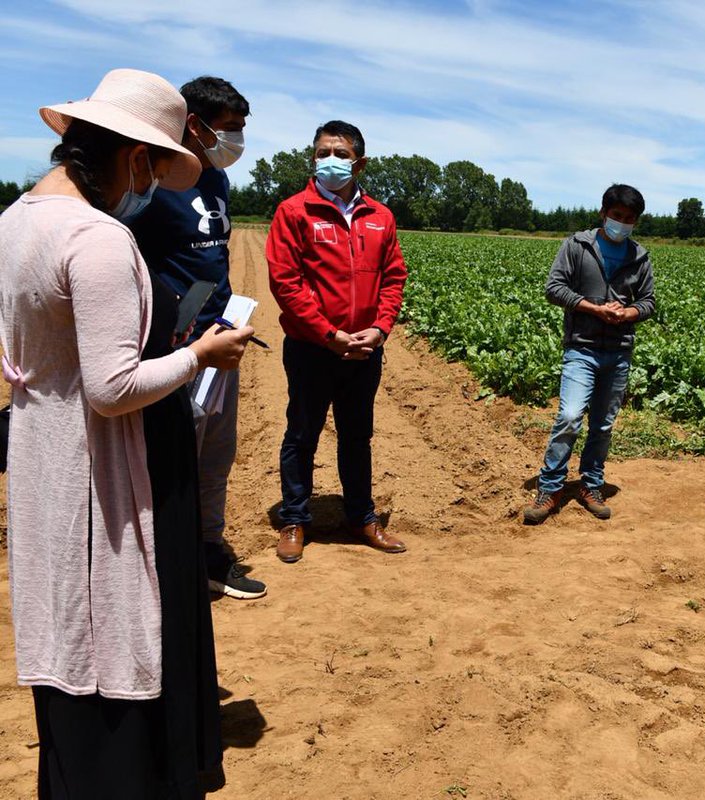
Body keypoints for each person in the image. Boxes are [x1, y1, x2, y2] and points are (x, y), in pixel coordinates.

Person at [0, 68, 252, 798]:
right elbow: (113, 390)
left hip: (42, 447)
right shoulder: (100, 239)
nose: (152, 188)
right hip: (98, 460)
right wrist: (199, 354)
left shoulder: (16, 219)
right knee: (111, 622)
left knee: (64, 619)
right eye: (154, 168)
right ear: (136, 157)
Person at [130, 76, 265, 601]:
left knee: (216, 454)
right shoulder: (153, 186)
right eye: (229, 129)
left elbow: (211, 257)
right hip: (174, 347)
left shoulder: (216, 182)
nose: (236, 141)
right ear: (195, 125)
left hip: (220, 337)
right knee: (170, 456)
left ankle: (209, 550)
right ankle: (167, 562)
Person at [266, 120, 408, 562]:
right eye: (323, 152)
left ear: (359, 163)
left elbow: (393, 277)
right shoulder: (294, 211)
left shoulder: (380, 217)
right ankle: (294, 519)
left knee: (356, 436)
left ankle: (361, 517)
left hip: (364, 350)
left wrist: (380, 329)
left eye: (341, 154)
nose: (331, 160)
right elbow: (285, 283)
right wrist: (328, 335)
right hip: (312, 348)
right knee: (302, 434)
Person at [523, 184, 656, 524]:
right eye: (616, 216)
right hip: (581, 348)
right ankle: (550, 487)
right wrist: (594, 309)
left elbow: (648, 301)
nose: (621, 223)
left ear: (636, 222)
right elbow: (554, 288)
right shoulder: (577, 246)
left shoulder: (639, 256)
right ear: (603, 213)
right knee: (569, 416)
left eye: (629, 219)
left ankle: (591, 484)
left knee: (603, 425)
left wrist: (629, 314)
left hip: (619, 351)